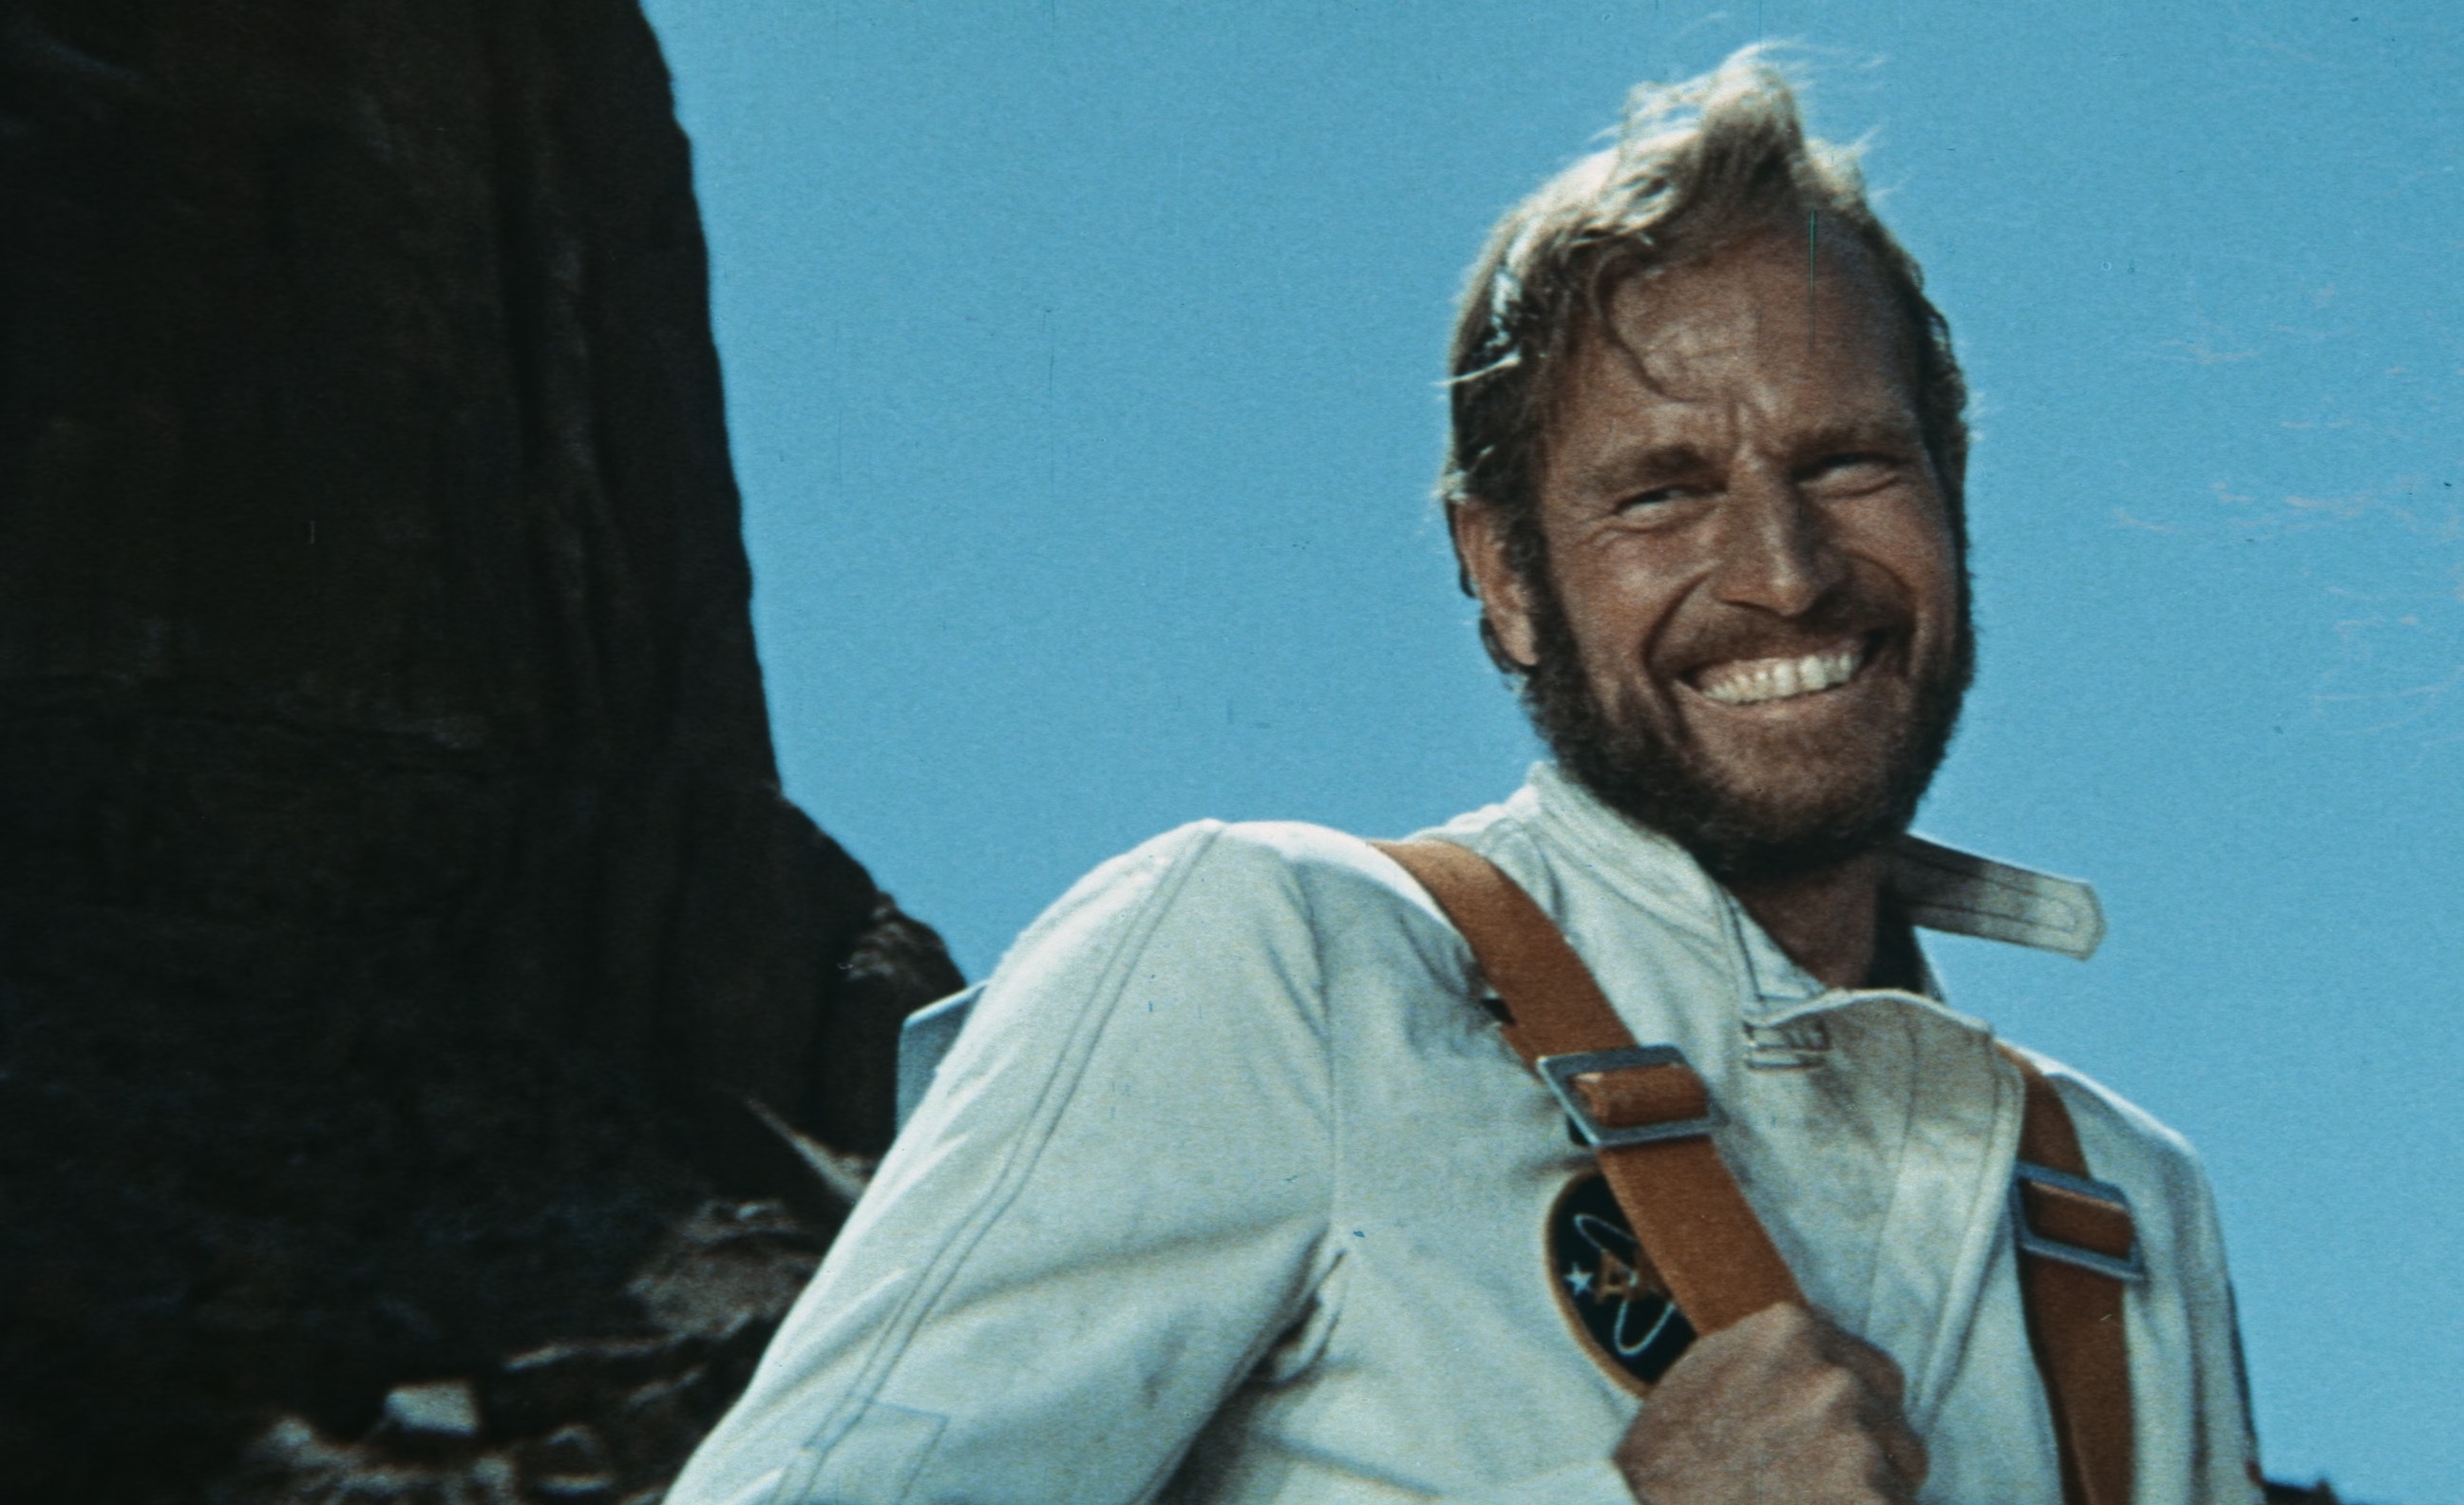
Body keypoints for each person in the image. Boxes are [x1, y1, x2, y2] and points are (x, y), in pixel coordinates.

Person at [667, 48, 2259, 1505]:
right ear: (1504, 576)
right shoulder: (1283, 958)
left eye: (1848, 461)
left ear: (1950, 487)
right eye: (1661, 494)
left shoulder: (2123, 1203)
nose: (1783, 571)